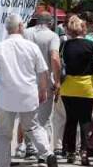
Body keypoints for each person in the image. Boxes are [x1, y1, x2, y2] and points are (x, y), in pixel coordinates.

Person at [0, 14, 57, 167]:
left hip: (7, 97)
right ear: (20, 27)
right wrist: (43, 90)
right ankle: (47, 153)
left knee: (3, 133)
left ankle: (3, 164)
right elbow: (42, 72)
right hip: (28, 95)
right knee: (33, 127)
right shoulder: (32, 47)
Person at [62, 15, 93, 165]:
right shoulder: (91, 45)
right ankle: (84, 152)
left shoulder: (65, 45)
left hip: (68, 87)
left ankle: (70, 152)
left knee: (71, 120)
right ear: (81, 28)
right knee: (85, 120)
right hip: (87, 87)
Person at [30, 11, 65, 159]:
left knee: (29, 116)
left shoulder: (25, 33)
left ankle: (30, 147)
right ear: (50, 23)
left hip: (27, 80)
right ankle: (43, 153)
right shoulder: (52, 36)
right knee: (44, 118)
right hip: (45, 81)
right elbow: (55, 58)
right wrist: (57, 80)